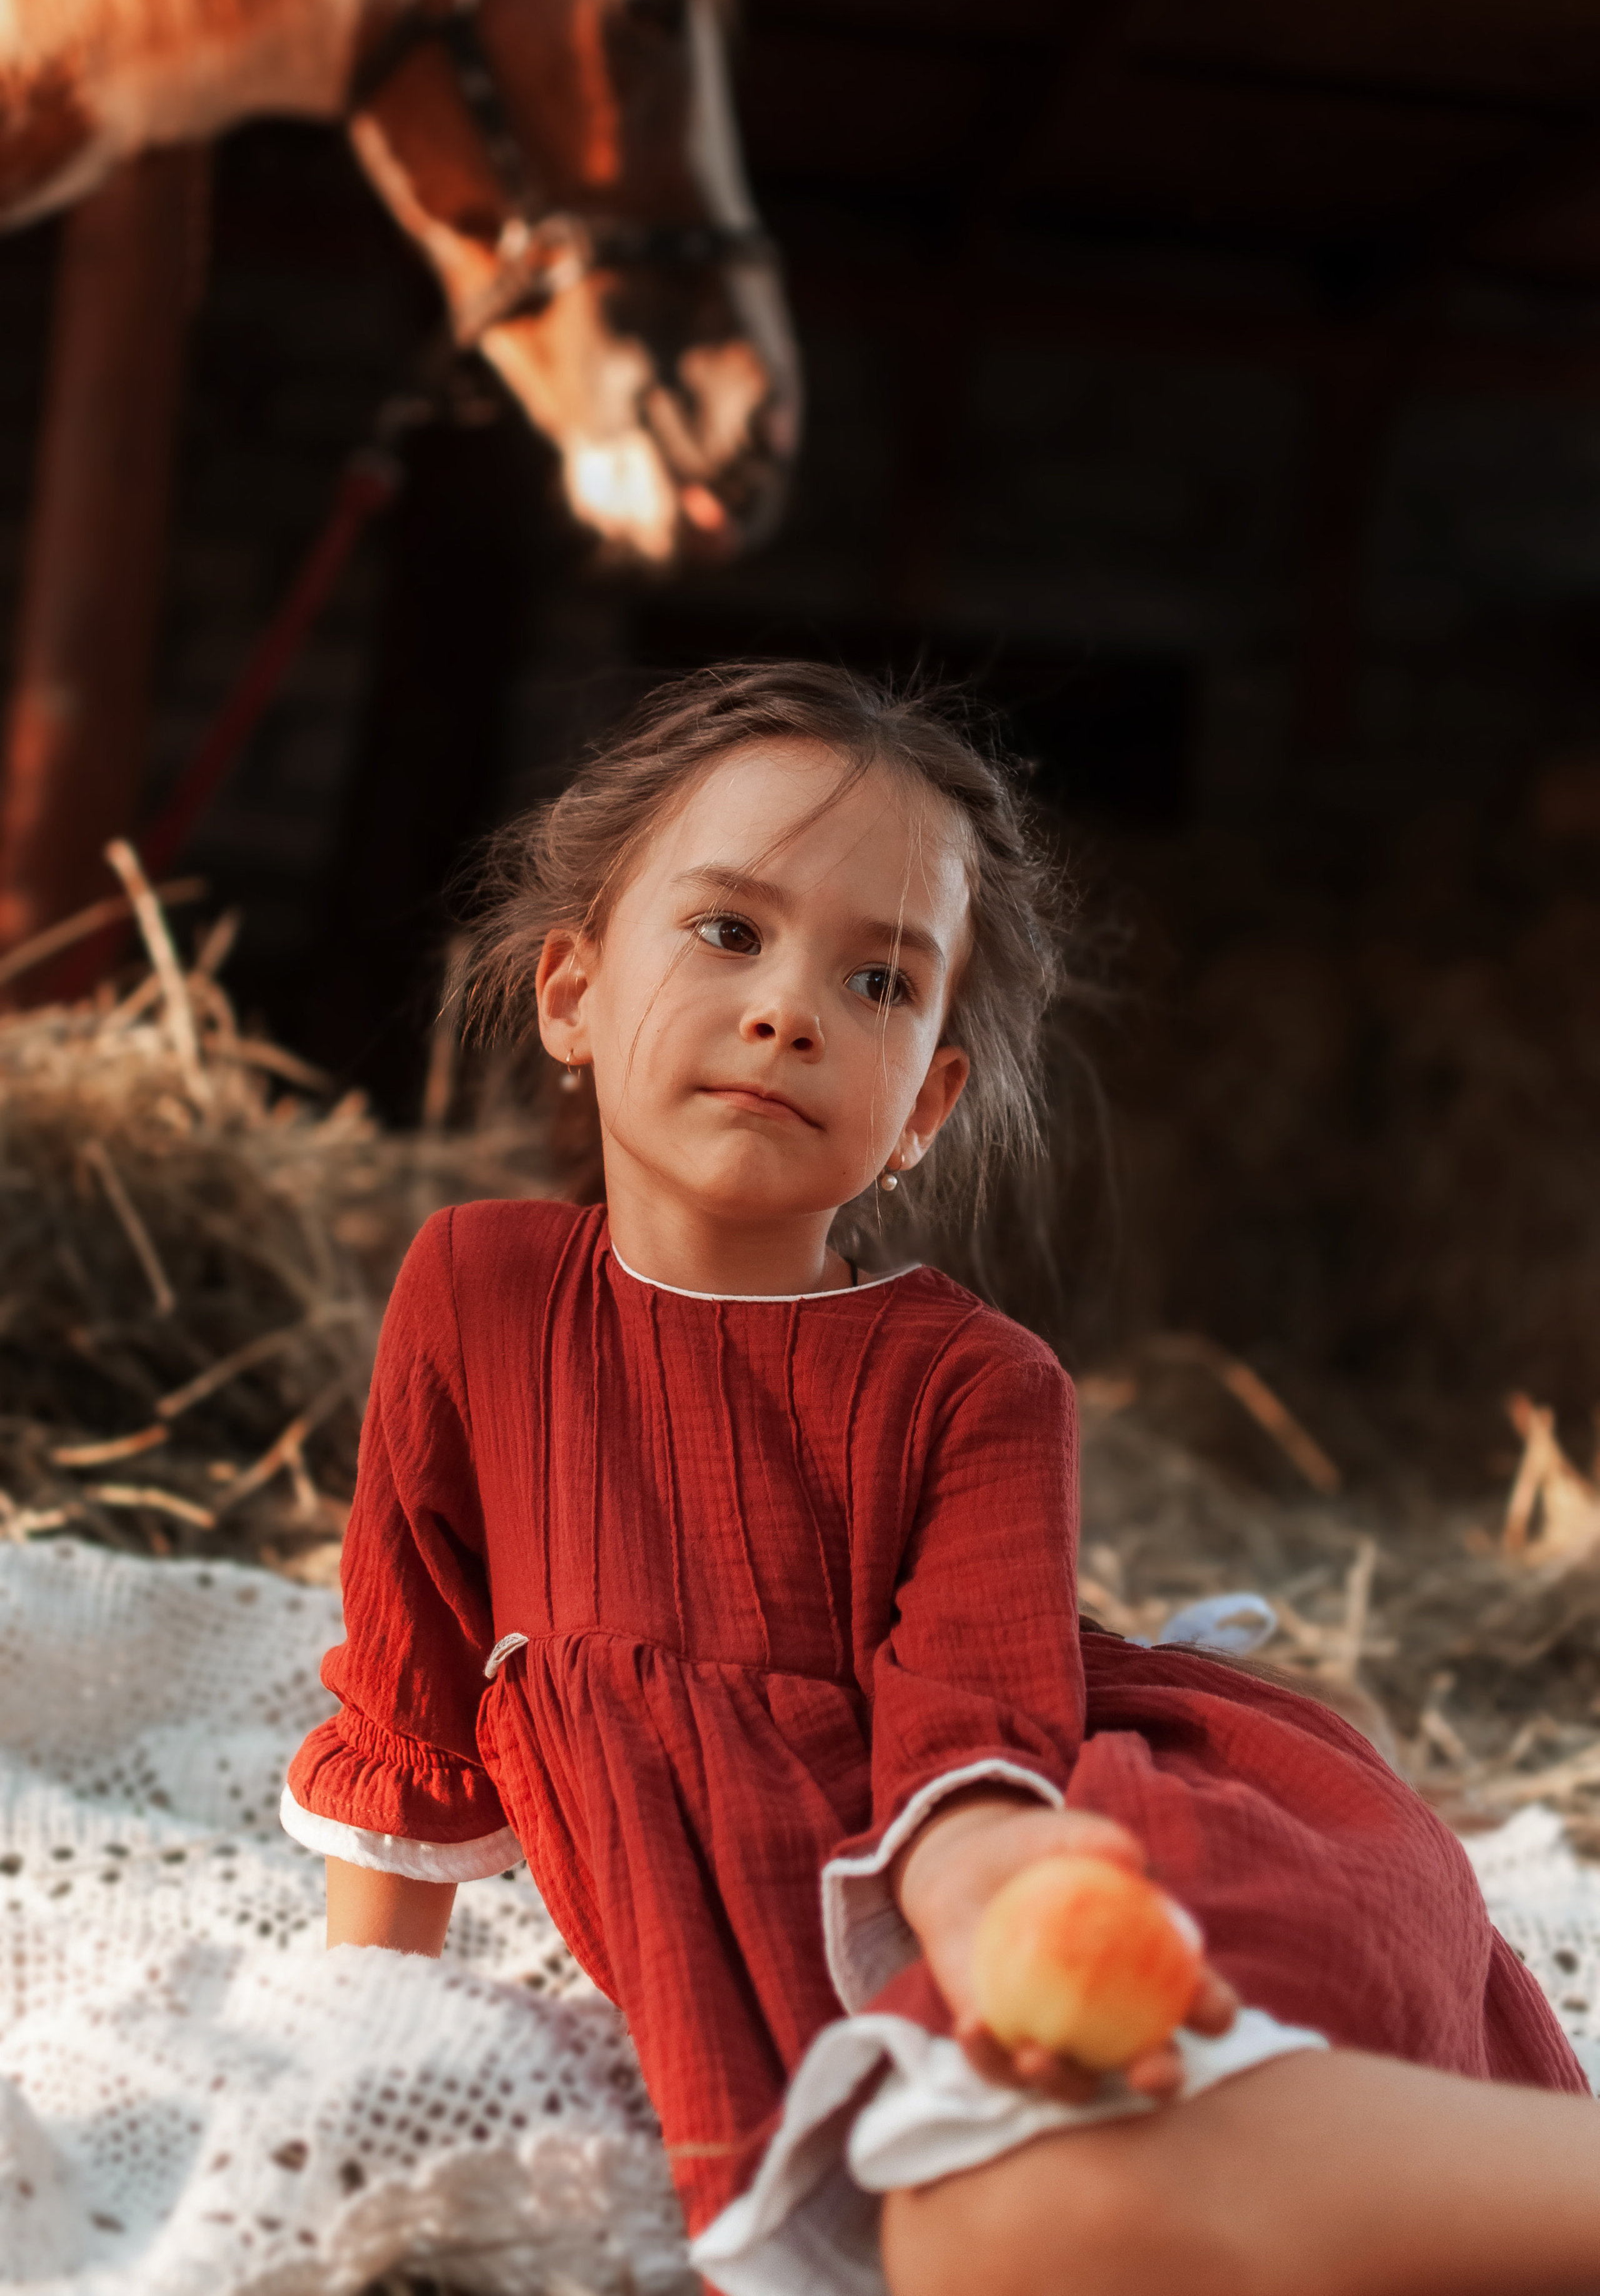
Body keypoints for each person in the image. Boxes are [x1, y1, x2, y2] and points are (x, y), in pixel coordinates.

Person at [282, 664, 1594, 2296]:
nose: (789, 1010)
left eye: (884, 981)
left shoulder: (974, 1383)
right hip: (826, 1937)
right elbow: (408, 1699)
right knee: (993, 2237)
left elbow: (976, 1733)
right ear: (570, 989)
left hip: (1075, 1845)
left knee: (1030, 2205)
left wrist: (994, 1912)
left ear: (929, 1109)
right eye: (728, 932)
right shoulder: (476, 1294)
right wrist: (354, 2043)